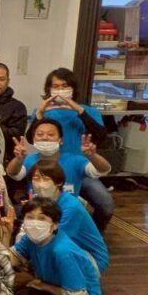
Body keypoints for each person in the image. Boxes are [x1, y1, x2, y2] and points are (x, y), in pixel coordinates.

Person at [31, 68, 113, 228]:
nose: (60, 90)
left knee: (106, 204)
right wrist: (40, 113)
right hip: (49, 170)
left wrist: (79, 111)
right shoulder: (43, 112)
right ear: (49, 89)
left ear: (73, 89)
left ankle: (93, 232)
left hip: (82, 170)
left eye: (65, 86)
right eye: (56, 86)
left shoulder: (89, 111)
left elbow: (101, 136)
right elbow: (30, 137)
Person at [25, 162, 109, 273]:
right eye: (36, 178)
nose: (40, 184)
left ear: (58, 182)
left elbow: (54, 240)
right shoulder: (39, 201)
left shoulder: (70, 207)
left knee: (55, 250)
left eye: (46, 179)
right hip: (66, 249)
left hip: (90, 258)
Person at [7, 118, 110, 199]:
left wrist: (92, 156)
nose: (45, 137)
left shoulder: (75, 161)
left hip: (67, 210)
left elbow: (104, 170)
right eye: (40, 134)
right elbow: (13, 174)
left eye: (51, 134)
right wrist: (18, 159)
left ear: (61, 140)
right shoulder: (29, 160)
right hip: (38, 210)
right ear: (33, 139)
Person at [0, 62, 27, 159]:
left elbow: (16, 136)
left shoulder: (17, 107)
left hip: (5, 159)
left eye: (1, 79)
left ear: (8, 81)